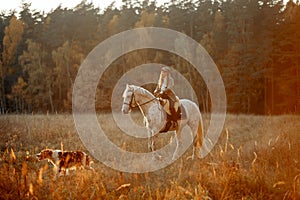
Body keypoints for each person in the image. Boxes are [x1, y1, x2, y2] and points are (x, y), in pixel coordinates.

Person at [154, 66, 181, 131]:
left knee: (172, 106)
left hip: (169, 95)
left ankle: (175, 121)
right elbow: (158, 87)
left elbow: (169, 88)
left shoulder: (170, 80)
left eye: (165, 72)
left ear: (168, 73)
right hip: (161, 95)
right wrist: (156, 90)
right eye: (162, 71)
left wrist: (162, 92)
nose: (163, 73)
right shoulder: (160, 80)